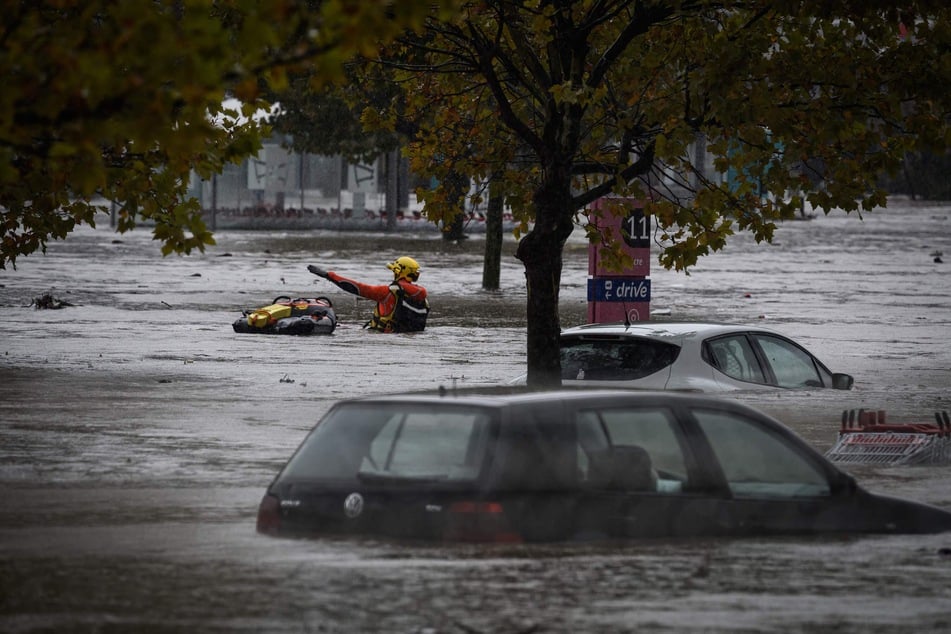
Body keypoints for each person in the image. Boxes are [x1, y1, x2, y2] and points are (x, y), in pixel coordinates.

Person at [307, 256, 430, 332]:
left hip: (384, 337)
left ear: (397, 271)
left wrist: (330, 276)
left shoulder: (388, 292)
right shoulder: (422, 297)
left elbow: (357, 288)